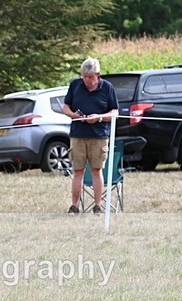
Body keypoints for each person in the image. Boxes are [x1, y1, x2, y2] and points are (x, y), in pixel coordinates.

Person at [63, 57, 119, 214]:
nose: (87, 80)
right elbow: (65, 107)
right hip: (78, 135)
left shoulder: (107, 88)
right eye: (84, 76)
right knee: (77, 171)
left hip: (99, 136)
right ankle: (74, 206)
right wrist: (74, 115)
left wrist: (98, 117)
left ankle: (97, 206)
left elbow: (115, 112)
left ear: (98, 75)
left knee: (96, 170)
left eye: (90, 77)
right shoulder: (75, 85)